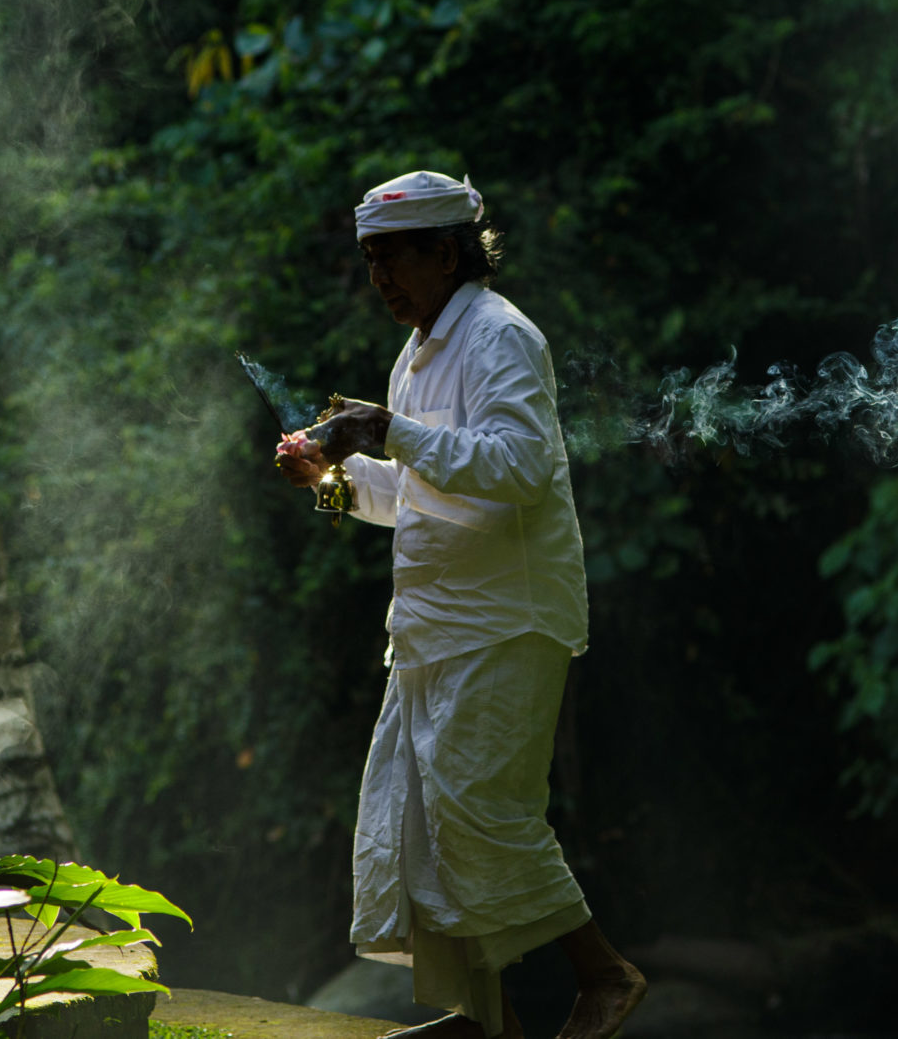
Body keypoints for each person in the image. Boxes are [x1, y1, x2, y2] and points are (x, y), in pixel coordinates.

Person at [277, 170, 647, 1039]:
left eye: (390, 260)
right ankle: (490, 1022)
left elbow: (520, 468)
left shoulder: (500, 337)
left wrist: (388, 431)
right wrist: (331, 474)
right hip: (433, 626)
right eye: (369, 263)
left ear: (445, 252)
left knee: (480, 811)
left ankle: (606, 974)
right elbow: (420, 492)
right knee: (415, 827)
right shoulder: (416, 355)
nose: (379, 281)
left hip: (507, 618)